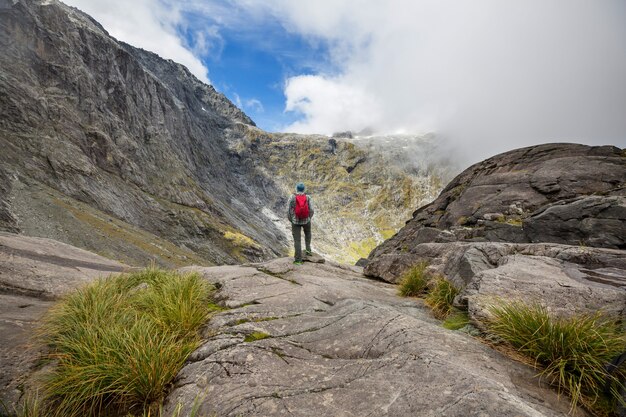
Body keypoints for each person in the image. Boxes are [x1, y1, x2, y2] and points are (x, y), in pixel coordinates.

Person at [288, 182, 314, 265]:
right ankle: (308, 250)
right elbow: (312, 209)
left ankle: (298, 260)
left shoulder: (292, 197)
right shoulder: (308, 197)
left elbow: (288, 210)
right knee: (308, 234)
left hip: (295, 221)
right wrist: (309, 217)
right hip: (306, 220)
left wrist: (291, 219)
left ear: (296, 189)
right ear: (304, 189)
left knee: (297, 240)